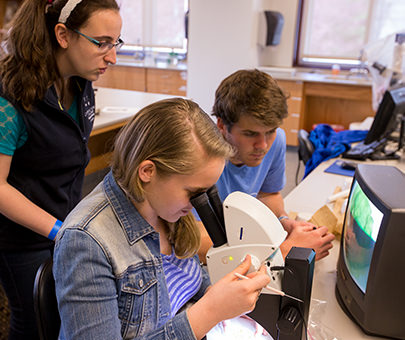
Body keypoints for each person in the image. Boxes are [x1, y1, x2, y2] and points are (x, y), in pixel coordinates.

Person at [53, 98, 271, 339]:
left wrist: (228, 293)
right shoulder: (86, 241)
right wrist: (210, 311)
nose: (200, 204)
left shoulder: (165, 210)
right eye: (193, 193)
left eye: (207, 193)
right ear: (147, 172)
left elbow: (187, 284)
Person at [0, 0, 122, 338]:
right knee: (33, 323)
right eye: (102, 43)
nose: (112, 56)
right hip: (20, 238)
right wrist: (60, 230)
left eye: (116, 43)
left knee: (60, 319)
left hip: (62, 227)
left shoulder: (80, 85)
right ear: (63, 35)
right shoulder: (11, 97)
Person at [197, 69, 335, 263]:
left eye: (270, 131)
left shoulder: (276, 140)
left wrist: (283, 223)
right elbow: (190, 243)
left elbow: (268, 194)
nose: (262, 145)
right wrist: (281, 253)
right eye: (250, 133)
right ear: (221, 125)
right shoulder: (199, 159)